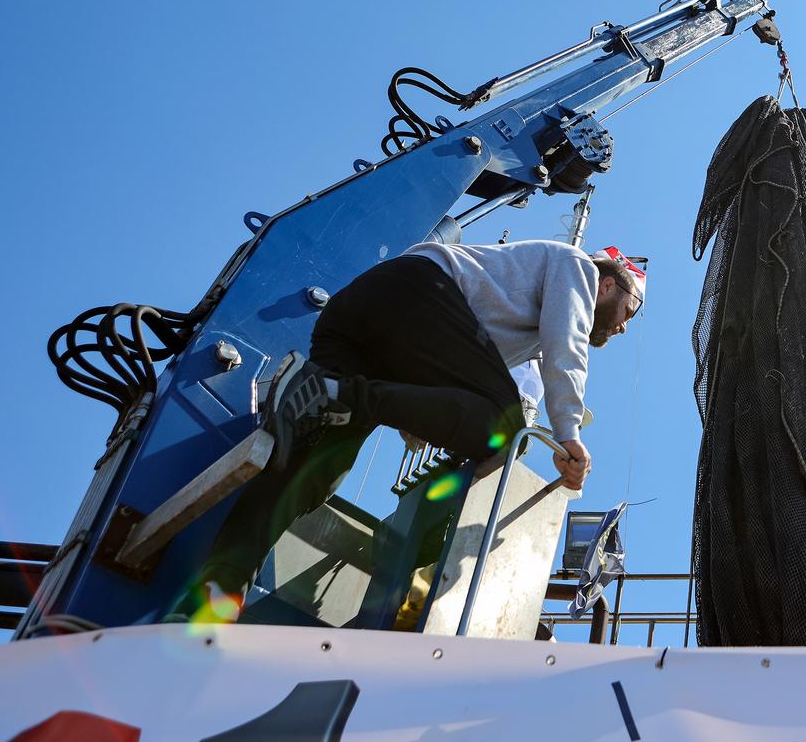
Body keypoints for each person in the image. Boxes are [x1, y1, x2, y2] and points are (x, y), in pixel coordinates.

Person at [179, 239, 646, 623]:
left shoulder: (508, 318)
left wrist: (415, 413)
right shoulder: (577, 268)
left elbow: (449, 363)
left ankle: (217, 590)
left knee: (316, 468)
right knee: (505, 426)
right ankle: (338, 394)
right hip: (419, 294)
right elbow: (565, 345)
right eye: (631, 308)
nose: (625, 326)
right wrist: (568, 433)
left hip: (363, 317)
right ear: (607, 284)